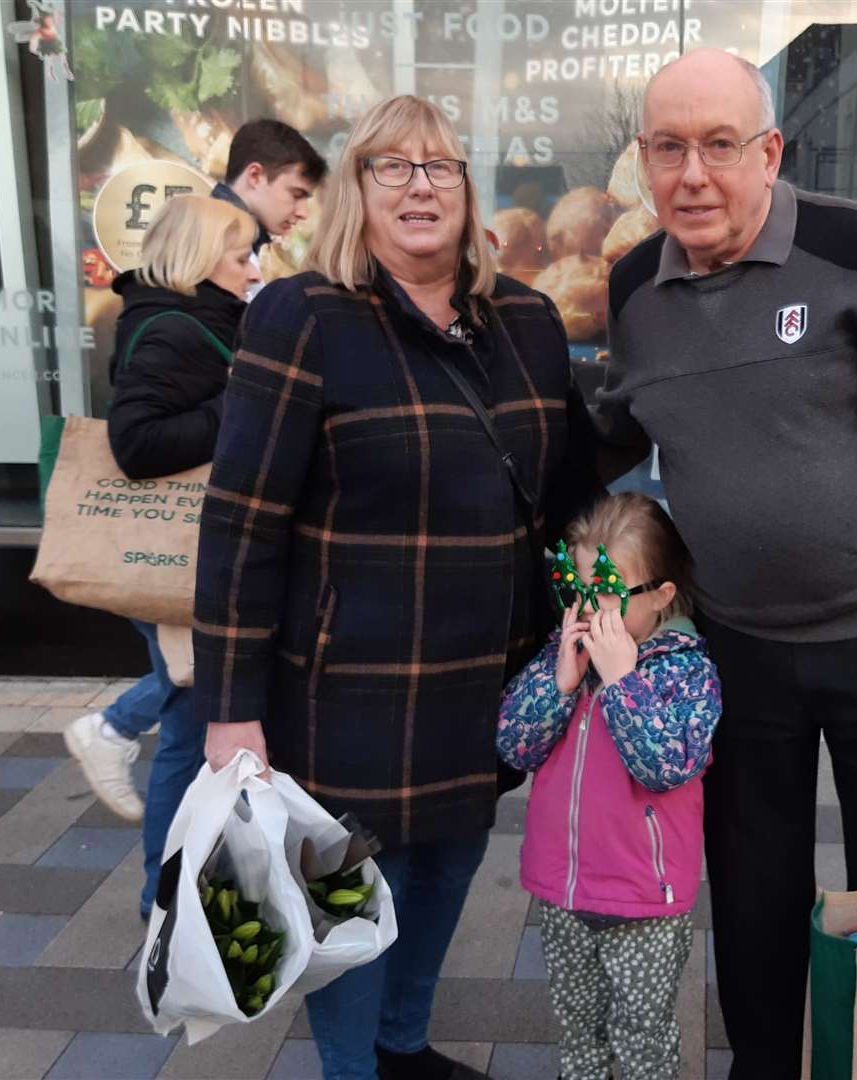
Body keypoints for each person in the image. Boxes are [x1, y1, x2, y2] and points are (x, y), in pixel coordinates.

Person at [596, 49, 857, 1078]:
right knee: (752, 887)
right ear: (643, 163)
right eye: (668, 149)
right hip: (737, 648)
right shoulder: (632, 287)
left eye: (720, 146)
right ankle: (766, 1065)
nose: (693, 174)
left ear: (769, 152)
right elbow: (617, 429)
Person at [191, 95, 600, 1080]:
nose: (420, 187)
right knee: (347, 896)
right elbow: (243, 519)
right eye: (391, 168)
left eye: (441, 168)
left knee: (453, 859)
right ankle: (355, 1071)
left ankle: (401, 1046)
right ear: (357, 193)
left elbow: (573, 485)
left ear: (468, 192)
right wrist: (231, 712)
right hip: (346, 688)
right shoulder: (305, 316)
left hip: (482, 674)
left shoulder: (530, 323)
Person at [64, 194, 260, 920]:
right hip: (176, 559)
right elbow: (137, 443)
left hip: (194, 556)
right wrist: (236, 406)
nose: (251, 269)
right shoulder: (173, 330)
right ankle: (165, 900)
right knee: (186, 725)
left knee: (189, 713)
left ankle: (174, 891)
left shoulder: (195, 321)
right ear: (203, 257)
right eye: (241, 255)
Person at [498, 493, 721, 1080]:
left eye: (607, 593)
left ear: (662, 595)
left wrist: (622, 683)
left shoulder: (686, 670)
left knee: (642, 1039)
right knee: (579, 1036)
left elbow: (666, 766)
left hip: (643, 900)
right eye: (575, 586)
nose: (588, 608)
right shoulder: (563, 653)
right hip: (562, 888)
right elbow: (513, 745)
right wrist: (559, 684)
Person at [210, 118, 328, 259]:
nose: (304, 213)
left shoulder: (226, 237)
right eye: (296, 195)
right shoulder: (217, 248)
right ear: (255, 176)